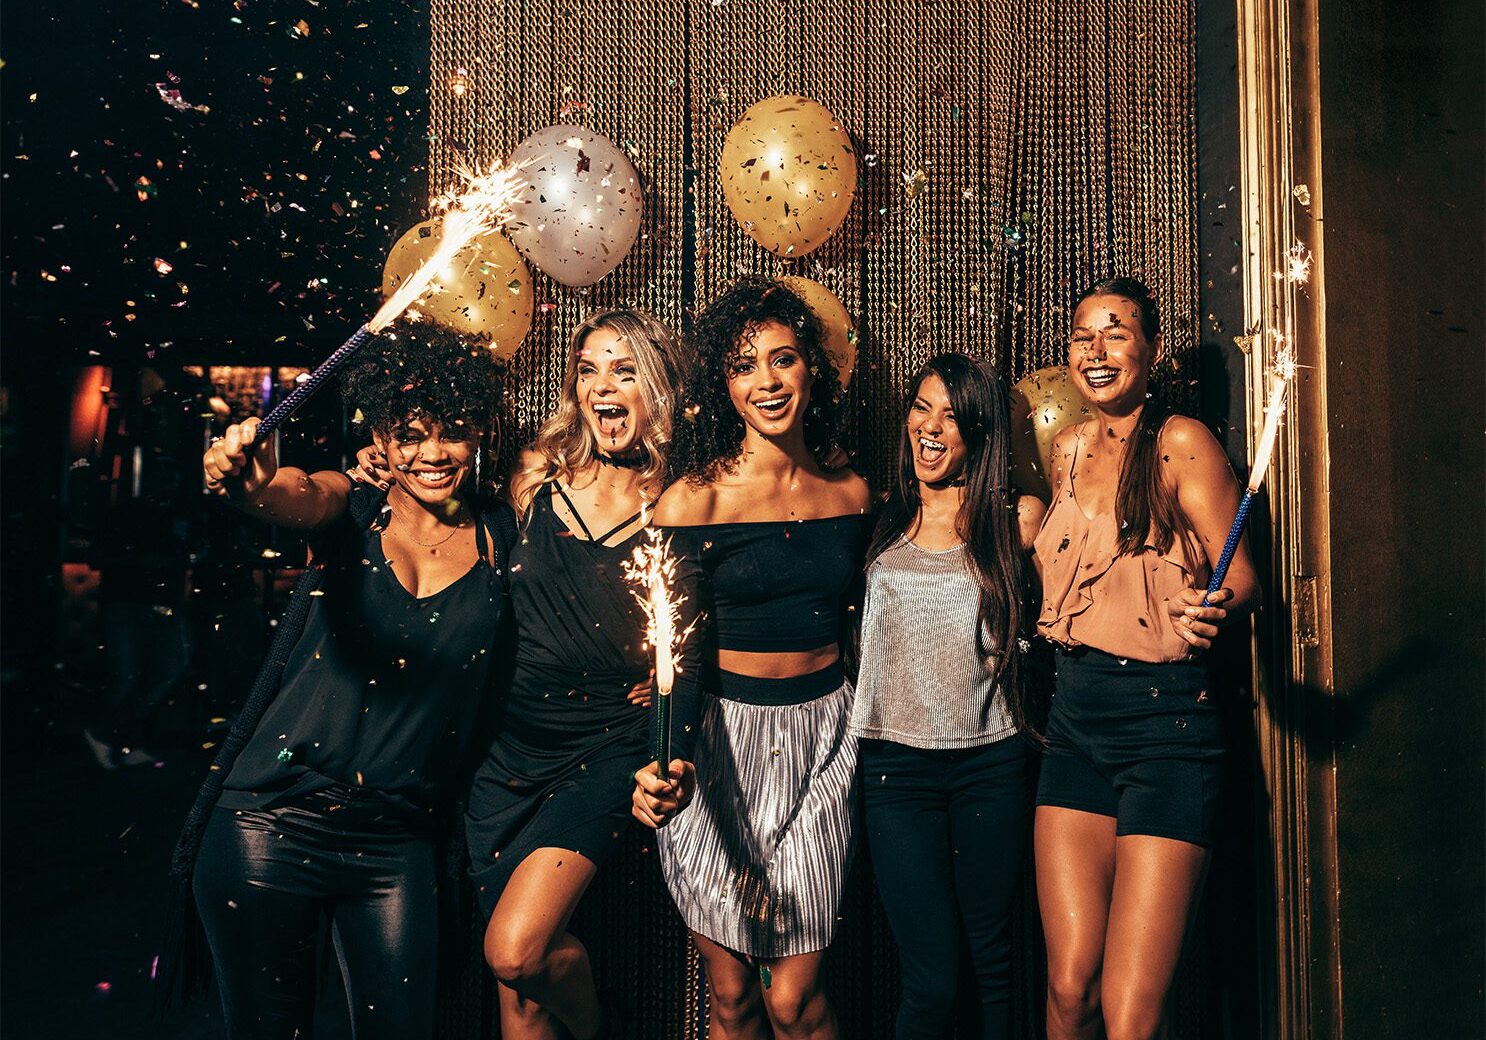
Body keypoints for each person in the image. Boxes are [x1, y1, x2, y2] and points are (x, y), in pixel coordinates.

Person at [189, 322, 512, 1040]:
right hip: (267, 827)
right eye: (412, 433)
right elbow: (287, 492)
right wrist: (246, 475)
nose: (432, 453)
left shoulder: (502, 534)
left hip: (397, 842)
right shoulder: (352, 506)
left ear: (479, 430)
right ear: (384, 439)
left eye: (451, 432)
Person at [632, 277, 871, 1040]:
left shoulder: (854, 491)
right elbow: (682, 656)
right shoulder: (691, 502)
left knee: (794, 1000)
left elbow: (878, 624)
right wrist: (667, 758)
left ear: (812, 370)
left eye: (784, 360)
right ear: (723, 385)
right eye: (744, 365)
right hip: (718, 752)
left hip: (825, 745)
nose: (766, 381)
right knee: (733, 999)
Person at [1032, 278, 1259, 1040]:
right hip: (1074, 721)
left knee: (1130, 1018)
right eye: (1082, 335)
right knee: (1069, 991)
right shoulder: (1065, 450)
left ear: (1151, 350)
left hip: (1167, 730)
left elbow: (1242, 577)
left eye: (1117, 333)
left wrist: (1213, 604)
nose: (1096, 351)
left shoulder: (1180, 442)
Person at [451, 308, 681, 1040]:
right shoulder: (533, 479)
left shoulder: (681, 499)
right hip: (505, 753)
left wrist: (671, 692)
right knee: (518, 998)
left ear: (656, 387)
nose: (602, 387)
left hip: (604, 748)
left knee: (515, 951)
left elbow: (704, 629)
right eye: (588, 370)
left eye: (623, 370)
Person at [850, 354, 1045, 1039]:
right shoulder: (874, 520)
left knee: (993, 965)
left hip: (990, 764)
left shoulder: (1012, 523)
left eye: (951, 416)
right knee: (931, 980)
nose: (930, 428)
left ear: (980, 433)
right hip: (894, 771)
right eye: (922, 407)